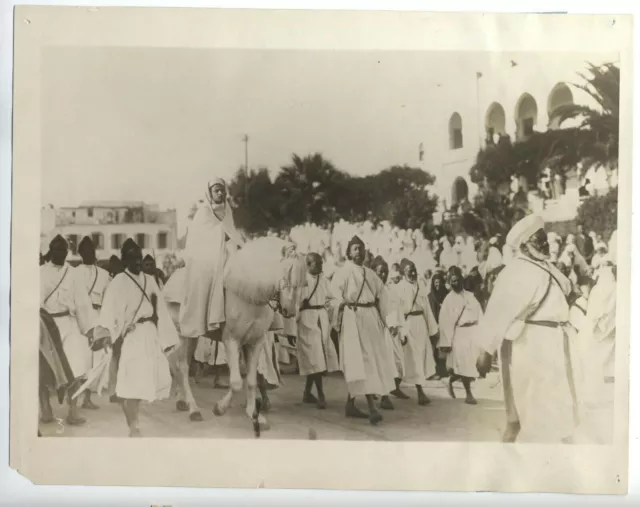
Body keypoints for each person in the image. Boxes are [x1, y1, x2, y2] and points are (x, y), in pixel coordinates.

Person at [476, 214, 580, 443]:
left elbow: (566, 290)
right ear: (524, 245)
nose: (544, 243)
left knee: (558, 400)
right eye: (538, 239)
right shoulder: (515, 272)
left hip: (555, 340)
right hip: (532, 343)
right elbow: (497, 313)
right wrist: (485, 351)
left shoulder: (546, 266)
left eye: (544, 238)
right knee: (535, 404)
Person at [93, 239, 178, 437]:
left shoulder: (150, 280)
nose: (138, 262)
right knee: (128, 384)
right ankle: (133, 425)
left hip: (149, 336)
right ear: (125, 260)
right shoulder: (118, 282)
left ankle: (135, 422)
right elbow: (109, 312)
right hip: (130, 337)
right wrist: (108, 334)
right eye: (133, 258)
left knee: (144, 383)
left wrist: (166, 340)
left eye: (139, 258)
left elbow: (161, 312)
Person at [330, 235, 398, 425]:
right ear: (349, 252)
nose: (358, 252)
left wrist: (390, 322)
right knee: (361, 362)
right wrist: (341, 305)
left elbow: (383, 297)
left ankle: (350, 404)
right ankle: (372, 407)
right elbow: (332, 297)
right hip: (353, 319)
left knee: (371, 361)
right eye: (355, 249)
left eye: (361, 248)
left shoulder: (371, 274)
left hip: (371, 318)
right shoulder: (342, 273)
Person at [179, 179, 244, 373]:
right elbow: (199, 239)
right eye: (217, 190)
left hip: (226, 254)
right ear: (210, 192)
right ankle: (204, 315)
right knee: (204, 283)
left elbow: (232, 232)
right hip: (207, 260)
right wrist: (222, 237)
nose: (221, 194)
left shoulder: (228, 211)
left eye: (223, 190)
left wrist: (237, 243)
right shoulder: (203, 213)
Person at [40, 235, 96, 425]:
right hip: (47, 325)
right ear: (51, 250)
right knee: (45, 368)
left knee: (75, 367)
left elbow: (82, 304)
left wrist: (88, 329)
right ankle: (45, 409)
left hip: (69, 323)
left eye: (64, 251)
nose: (61, 254)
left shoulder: (73, 274)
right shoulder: (40, 272)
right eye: (57, 250)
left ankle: (73, 411)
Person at [296, 253, 340, 409]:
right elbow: (293, 303)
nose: (321, 266)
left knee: (317, 358)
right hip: (307, 320)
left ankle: (307, 393)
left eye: (321, 263)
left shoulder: (324, 280)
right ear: (308, 264)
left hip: (321, 319)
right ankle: (321, 394)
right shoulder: (301, 281)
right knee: (315, 357)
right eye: (318, 263)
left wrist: (333, 307)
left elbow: (332, 298)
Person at [73, 236, 111, 410]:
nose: (89, 254)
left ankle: (87, 398)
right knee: (81, 358)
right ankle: (77, 397)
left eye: (92, 251)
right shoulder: (72, 274)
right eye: (86, 251)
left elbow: (109, 299)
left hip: (97, 316)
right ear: (80, 253)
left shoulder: (103, 274)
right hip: (78, 320)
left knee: (96, 359)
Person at [395, 258, 439, 406]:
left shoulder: (421, 285)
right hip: (408, 324)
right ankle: (420, 392)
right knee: (412, 357)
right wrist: (401, 331)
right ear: (403, 273)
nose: (413, 273)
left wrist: (433, 330)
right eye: (409, 270)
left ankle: (394, 387)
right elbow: (398, 312)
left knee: (419, 356)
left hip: (421, 323)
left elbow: (426, 308)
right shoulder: (399, 288)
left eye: (414, 269)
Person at [439, 266, 483, 405]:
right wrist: (446, 343)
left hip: (473, 332)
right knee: (465, 364)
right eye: (452, 281)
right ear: (449, 282)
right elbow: (445, 322)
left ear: (462, 280)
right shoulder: (449, 300)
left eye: (457, 280)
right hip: (459, 334)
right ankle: (469, 394)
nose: (455, 284)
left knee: (470, 363)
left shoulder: (470, 296)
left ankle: (449, 380)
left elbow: (479, 314)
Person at [371, 255, 405, 408]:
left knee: (386, 363)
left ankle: (385, 395)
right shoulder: (368, 291)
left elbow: (394, 311)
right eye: (380, 272)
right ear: (373, 272)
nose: (383, 275)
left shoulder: (390, 292)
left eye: (385, 272)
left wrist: (395, 326)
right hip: (370, 330)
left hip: (385, 332)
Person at [427, 272, 449, 379]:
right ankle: (435, 371)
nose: (438, 285)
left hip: (445, 325)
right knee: (434, 349)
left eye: (440, 283)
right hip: (434, 325)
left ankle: (444, 370)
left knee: (444, 348)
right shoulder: (430, 297)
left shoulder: (447, 295)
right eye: (436, 283)